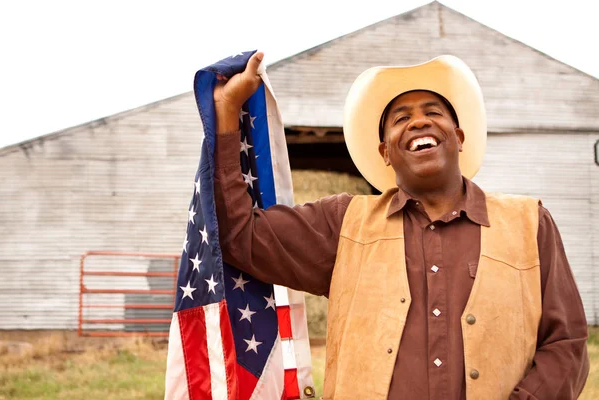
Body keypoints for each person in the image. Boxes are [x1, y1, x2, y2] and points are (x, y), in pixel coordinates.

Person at [211, 52, 589, 399]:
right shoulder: (343, 224)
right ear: (386, 153)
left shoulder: (528, 223)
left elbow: (566, 343)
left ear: (458, 138)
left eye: (434, 112)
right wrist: (227, 112)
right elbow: (240, 236)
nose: (420, 121)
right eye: (401, 118)